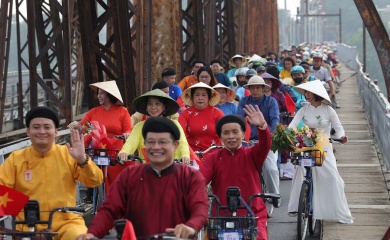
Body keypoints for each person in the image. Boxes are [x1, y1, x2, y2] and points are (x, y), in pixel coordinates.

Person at [77, 117, 209, 240]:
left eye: (163, 142)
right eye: (151, 142)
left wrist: (191, 226)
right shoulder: (129, 176)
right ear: (145, 144)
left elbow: (200, 208)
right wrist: (92, 234)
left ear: (175, 145)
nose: (156, 147)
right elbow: (109, 210)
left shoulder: (190, 177)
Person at [0, 106, 103, 239]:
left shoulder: (68, 154)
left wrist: (82, 159)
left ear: (56, 131)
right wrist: (23, 209)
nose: (42, 131)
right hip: (27, 227)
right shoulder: (15, 159)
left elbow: (95, 180)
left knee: (81, 237)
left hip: (66, 224)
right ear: (28, 132)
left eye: (47, 127)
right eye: (36, 127)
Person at [287, 80, 353, 224]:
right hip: (306, 144)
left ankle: (337, 211)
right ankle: (297, 206)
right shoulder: (304, 109)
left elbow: (338, 127)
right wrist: (287, 134)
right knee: (299, 170)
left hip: (325, 147)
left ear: (317, 94)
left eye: (309, 92)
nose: (306, 95)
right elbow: (292, 125)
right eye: (306, 93)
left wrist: (341, 137)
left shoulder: (329, 110)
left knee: (333, 177)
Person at [200, 110, 271, 240]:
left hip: (252, 213)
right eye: (226, 133)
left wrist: (262, 127)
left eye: (235, 132)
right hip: (220, 215)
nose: (231, 136)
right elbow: (200, 180)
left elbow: (265, 145)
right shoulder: (213, 158)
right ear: (220, 137)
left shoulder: (251, 154)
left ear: (243, 134)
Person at [68, 80, 132, 201]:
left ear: (110, 95)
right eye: (98, 93)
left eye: (102, 93)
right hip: (99, 150)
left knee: (120, 184)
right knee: (97, 176)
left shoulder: (122, 111)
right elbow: (84, 127)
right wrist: (76, 125)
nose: (99, 96)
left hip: (117, 153)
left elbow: (128, 129)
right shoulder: (94, 111)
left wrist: (126, 134)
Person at [236, 76, 281, 208]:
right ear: (248, 89)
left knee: (270, 168)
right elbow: (239, 120)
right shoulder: (244, 101)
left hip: (267, 141)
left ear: (263, 88)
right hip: (249, 142)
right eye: (252, 87)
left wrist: (271, 133)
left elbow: (275, 119)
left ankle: (274, 196)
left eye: (257, 87)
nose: (255, 90)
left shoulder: (271, 101)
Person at [119, 89, 190, 163]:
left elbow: (182, 143)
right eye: (150, 104)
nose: (153, 107)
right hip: (146, 170)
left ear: (164, 107)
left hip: (171, 169)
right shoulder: (139, 126)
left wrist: (185, 155)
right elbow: (130, 143)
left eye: (157, 104)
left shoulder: (174, 124)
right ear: (146, 107)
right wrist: (124, 152)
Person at [179, 82, 224, 152]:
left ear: (209, 97)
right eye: (197, 95)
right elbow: (180, 135)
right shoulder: (185, 114)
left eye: (204, 95)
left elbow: (225, 132)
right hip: (193, 155)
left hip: (216, 154)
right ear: (192, 97)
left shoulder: (217, 113)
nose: (200, 98)